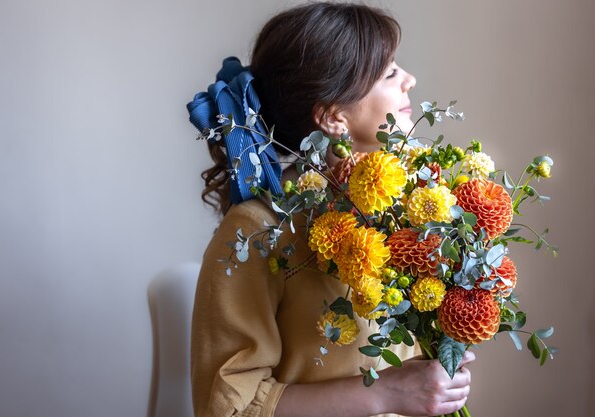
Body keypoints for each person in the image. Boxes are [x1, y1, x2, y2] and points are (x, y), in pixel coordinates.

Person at [187, 3, 474, 417]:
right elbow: (229, 407)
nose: (410, 80)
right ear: (334, 116)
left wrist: (443, 361)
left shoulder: (410, 204)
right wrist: (385, 394)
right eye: (390, 73)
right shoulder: (256, 229)